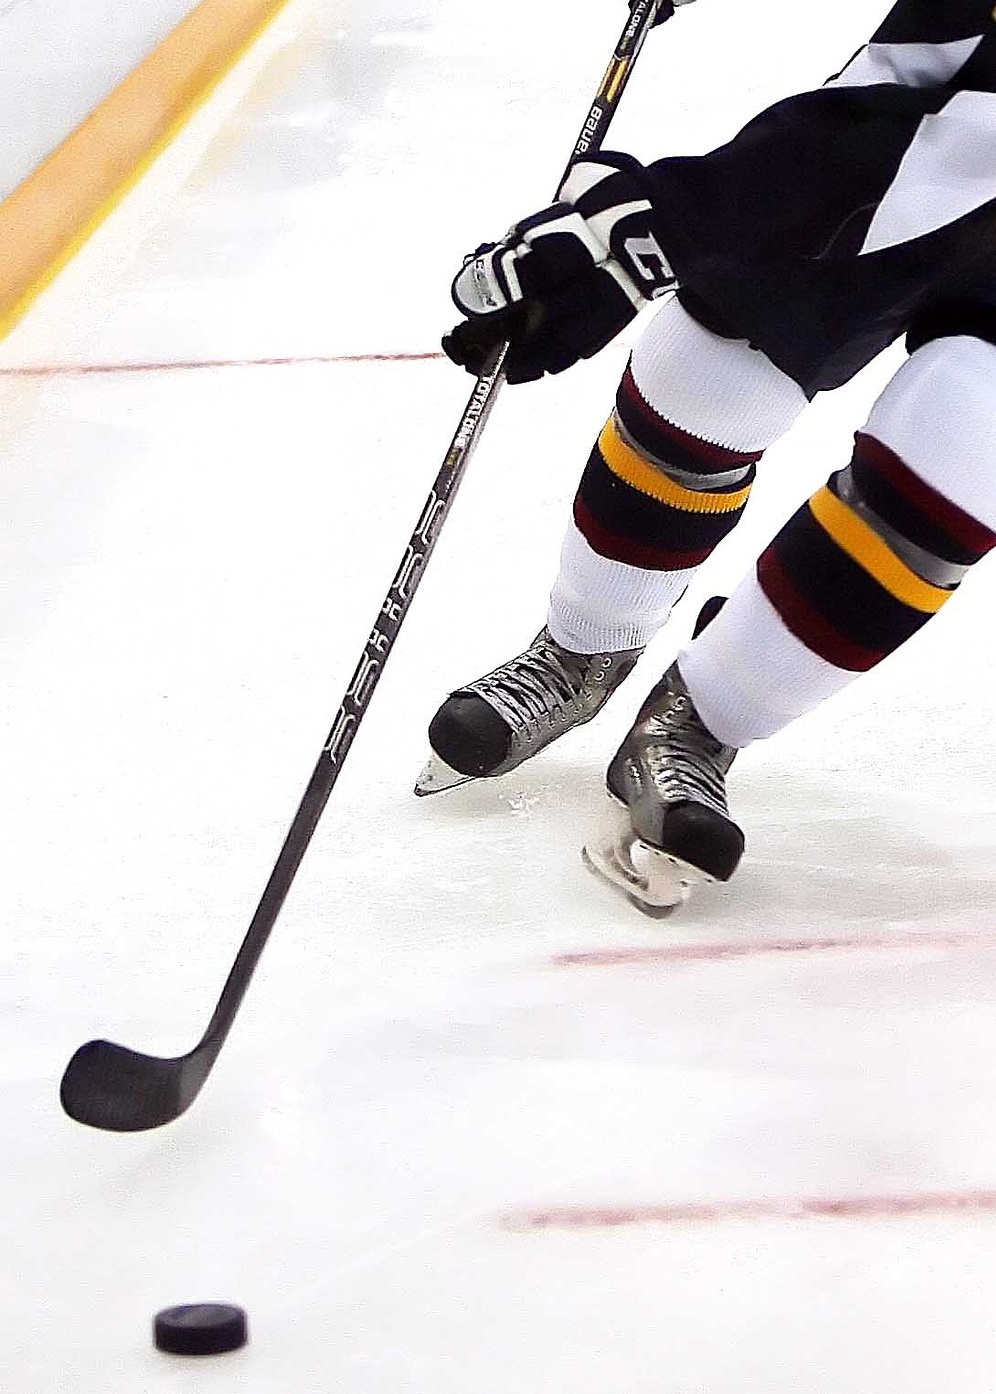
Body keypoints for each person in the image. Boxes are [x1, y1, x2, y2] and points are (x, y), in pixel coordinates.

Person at [417, 0, 996, 914]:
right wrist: (672, 226)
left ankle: (700, 721)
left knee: (963, 456)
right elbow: (914, 105)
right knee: (718, 366)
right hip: (937, 150)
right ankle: (585, 647)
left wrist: (663, 222)